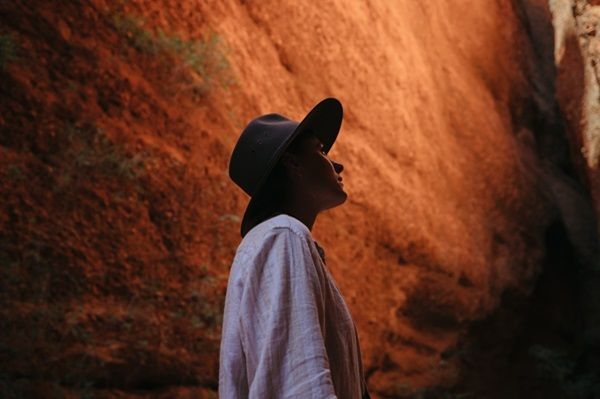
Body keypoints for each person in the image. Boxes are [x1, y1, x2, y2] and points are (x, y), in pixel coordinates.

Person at [219, 98, 370, 398]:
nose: (337, 163)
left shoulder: (282, 240)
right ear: (293, 163)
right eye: (321, 151)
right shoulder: (283, 235)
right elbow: (299, 383)